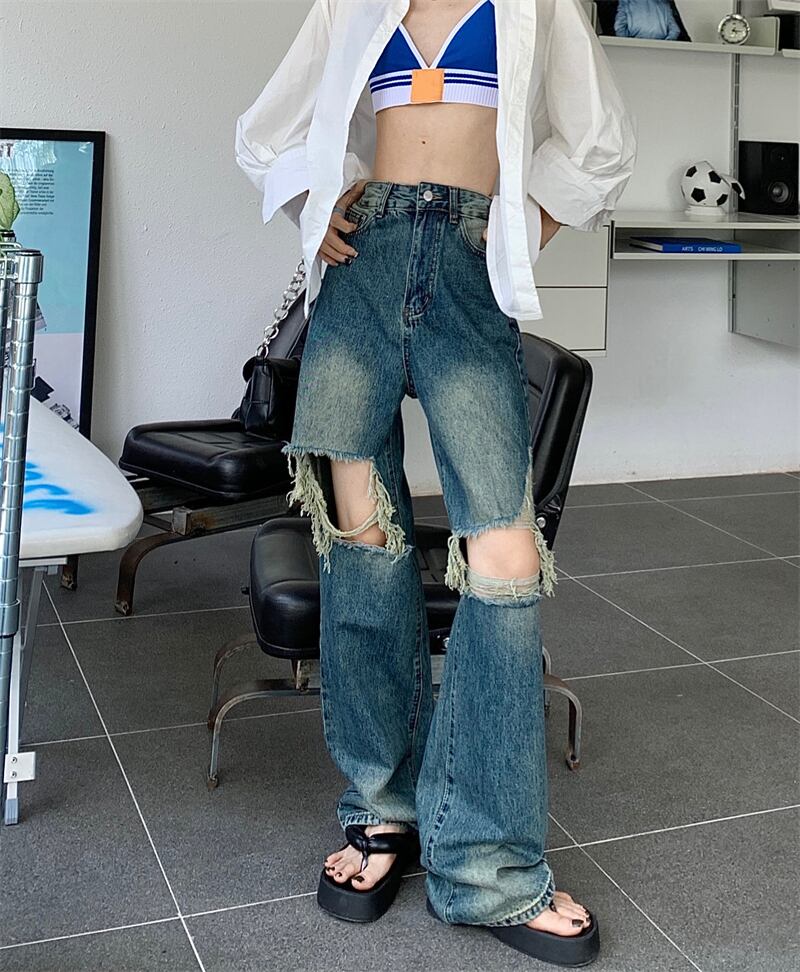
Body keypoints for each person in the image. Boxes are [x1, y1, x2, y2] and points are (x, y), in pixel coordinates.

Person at [235, 1, 637, 965]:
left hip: (468, 263)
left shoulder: (537, 4)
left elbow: (601, 142)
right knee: (363, 550)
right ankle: (381, 811)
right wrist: (314, 205)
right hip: (363, 269)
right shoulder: (352, 3)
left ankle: (488, 865)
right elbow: (266, 131)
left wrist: (522, 229)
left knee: (504, 565)